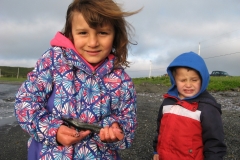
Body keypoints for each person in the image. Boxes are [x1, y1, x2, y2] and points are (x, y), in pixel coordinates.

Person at [15, 0, 141, 159]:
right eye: (83, 33)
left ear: (115, 35)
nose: (93, 42)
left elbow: (128, 124)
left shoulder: (122, 81)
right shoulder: (53, 61)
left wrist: (117, 131)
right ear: (70, 33)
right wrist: (53, 130)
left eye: (103, 33)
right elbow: (25, 102)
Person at [152, 51, 227, 160]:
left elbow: (214, 142)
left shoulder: (207, 108)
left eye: (194, 80)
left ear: (203, 79)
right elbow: (160, 130)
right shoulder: (167, 102)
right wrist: (156, 150)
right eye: (182, 80)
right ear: (174, 80)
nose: (188, 85)